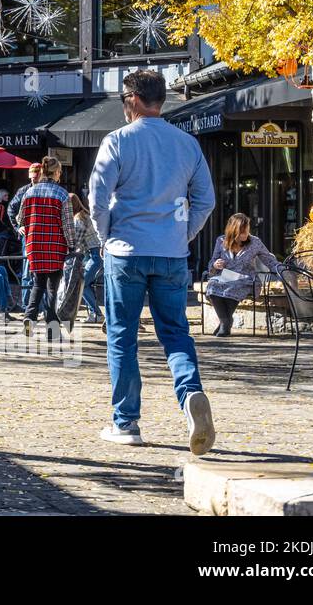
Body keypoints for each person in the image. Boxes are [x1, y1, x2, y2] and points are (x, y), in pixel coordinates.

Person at [89, 69, 217, 455]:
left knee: (122, 336)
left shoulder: (117, 141)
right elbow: (205, 200)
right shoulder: (187, 144)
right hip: (172, 254)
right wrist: (184, 235)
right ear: (160, 99)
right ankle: (190, 393)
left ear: (130, 100)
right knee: (176, 333)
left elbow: (97, 198)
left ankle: (126, 422)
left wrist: (105, 237)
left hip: (125, 252)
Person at [17, 156, 76, 336]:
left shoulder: (29, 193)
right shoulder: (61, 194)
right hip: (55, 244)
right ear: (57, 172)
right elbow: (67, 224)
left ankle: (29, 317)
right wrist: (72, 245)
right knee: (52, 286)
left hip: (34, 244)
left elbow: (20, 219)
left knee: (37, 283)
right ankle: (52, 327)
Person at [204, 213, 277, 337]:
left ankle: (224, 324)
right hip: (225, 276)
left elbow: (269, 259)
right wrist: (215, 265)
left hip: (246, 278)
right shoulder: (221, 241)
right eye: (242, 231)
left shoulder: (255, 242)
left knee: (234, 286)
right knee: (212, 285)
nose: (245, 234)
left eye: (247, 230)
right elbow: (212, 262)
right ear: (234, 231)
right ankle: (226, 321)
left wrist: (281, 269)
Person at [8, 163, 43, 311]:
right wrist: (18, 228)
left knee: (41, 271)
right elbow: (11, 209)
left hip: (42, 234)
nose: (34, 180)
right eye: (32, 178)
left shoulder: (45, 190)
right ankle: (26, 305)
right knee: (28, 270)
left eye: (37, 177)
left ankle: (40, 306)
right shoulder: (24, 191)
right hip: (28, 235)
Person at [69, 194, 104, 325]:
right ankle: (94, 313)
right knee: (85, 284)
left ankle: (96, 314)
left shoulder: (78, 219)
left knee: (82, 285)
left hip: (95, 255)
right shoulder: (84, 215)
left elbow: (76, 243)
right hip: (94, 254)